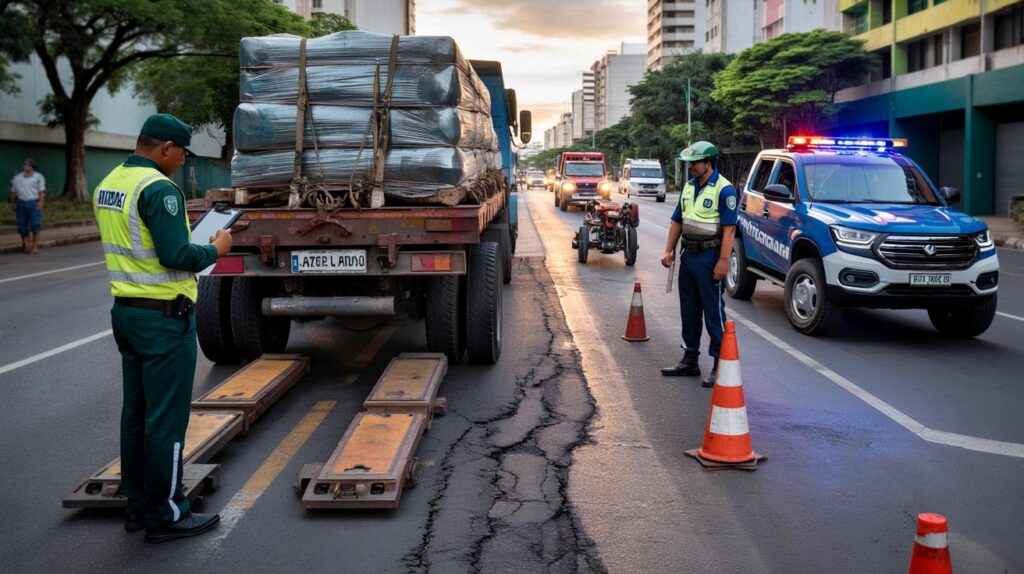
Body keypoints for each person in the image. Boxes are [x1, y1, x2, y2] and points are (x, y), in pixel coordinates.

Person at [93, 113, 233, 543]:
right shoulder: (159, 189)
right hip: (163, 319)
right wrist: (215, 247)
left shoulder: (110, 183)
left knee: (135, 416)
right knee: (166, 422)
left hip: (127, 314)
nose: (182, 164)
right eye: (181, 155)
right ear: (166, 148)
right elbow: (175, 254)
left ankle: (137, 505)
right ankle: (168, 513)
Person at [660, 141, 738, 387]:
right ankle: (690, 359)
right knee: (689, 310)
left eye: (695, 163)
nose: (691, 167)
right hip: (689, 256)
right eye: (689, 163)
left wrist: (723, 261)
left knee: (713, 313)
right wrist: (668, 250)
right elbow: (677, 222)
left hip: (710, 257)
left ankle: (720, 365)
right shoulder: (688, 187)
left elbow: (729, 230)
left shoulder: (724, 190)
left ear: (708, 163)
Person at [10, 159, 45, 254]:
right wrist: (13, 203)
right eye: (24, 165)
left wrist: (41, 202)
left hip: (33, 202)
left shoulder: (38, 177)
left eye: (27, 165)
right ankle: (26, 243)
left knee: (35, 225)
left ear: (31, 167)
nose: (25, 167)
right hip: (21, 203)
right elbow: (13, 191)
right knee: (22, 226)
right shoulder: (18, 178)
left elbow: (41, 191)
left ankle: (35, 246)